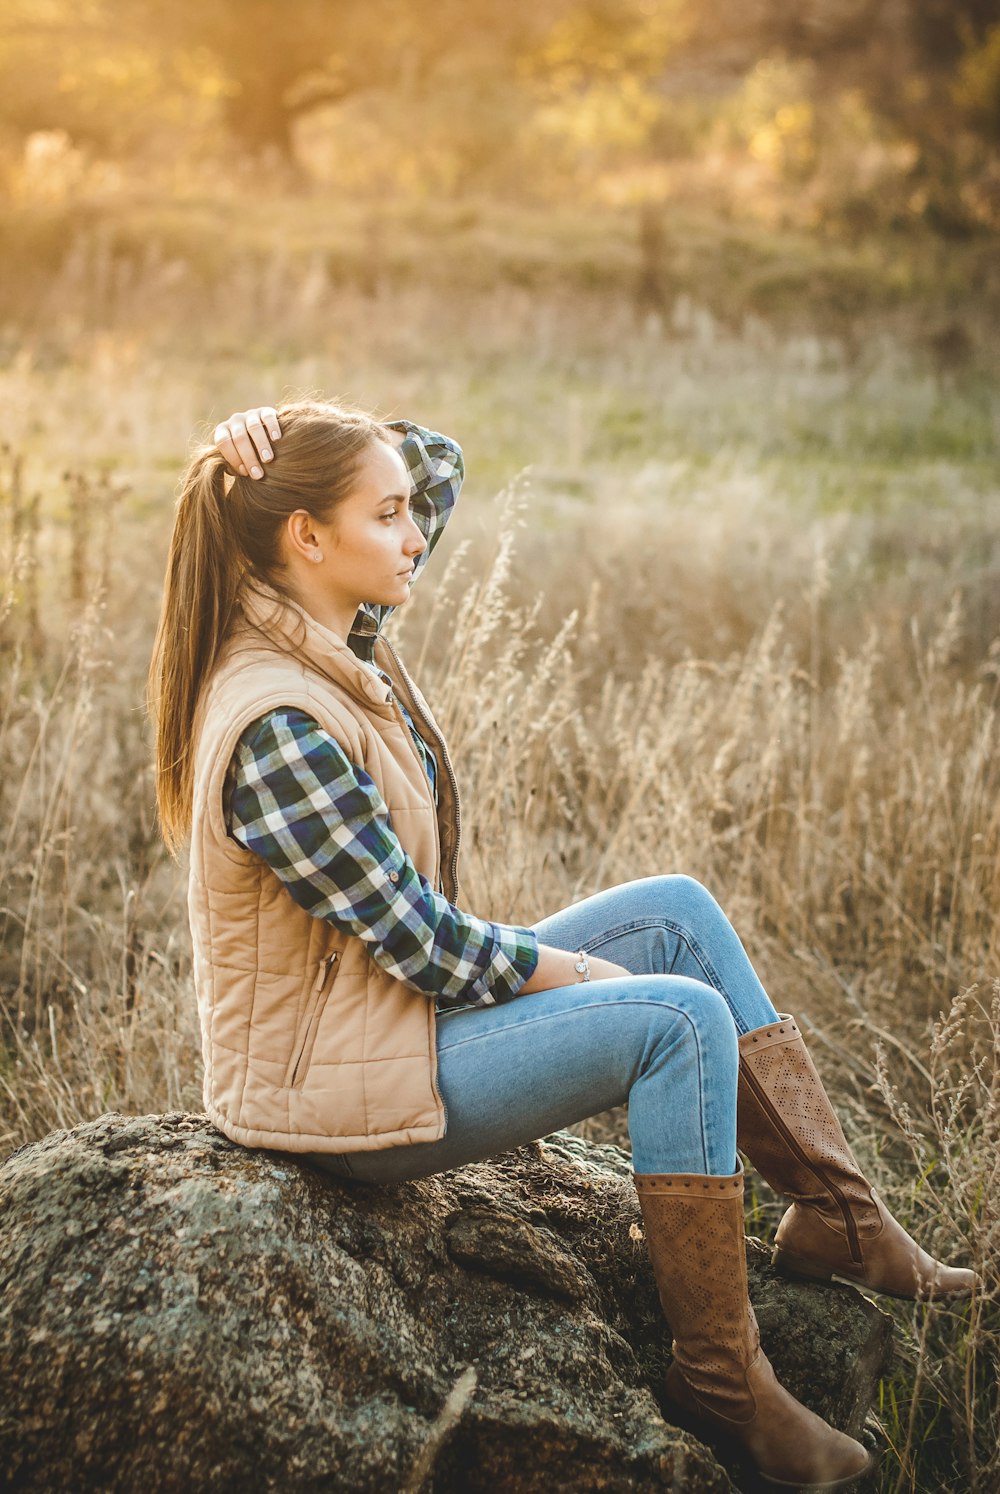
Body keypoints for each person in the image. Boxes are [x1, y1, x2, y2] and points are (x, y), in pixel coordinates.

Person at [148, 400, 976, 1490]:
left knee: (673, 913)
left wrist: (289, 422)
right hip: (333, 1097)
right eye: (385, 517)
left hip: (384, 1025)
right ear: (308, 537)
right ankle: (721, 1377)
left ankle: (838, 1217)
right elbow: (421, 945)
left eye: (405, 516)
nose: (413, 535)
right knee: (676, 1021)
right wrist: (568, 968)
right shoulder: (279, 721)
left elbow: (431, 467)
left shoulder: (327, 630)